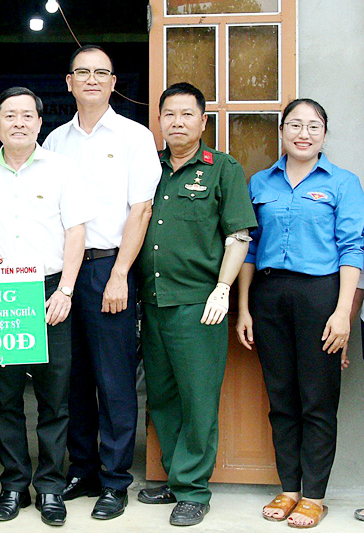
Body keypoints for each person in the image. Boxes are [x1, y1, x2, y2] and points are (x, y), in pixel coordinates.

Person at [0, 87, 92, 526]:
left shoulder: (62, 168)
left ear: (40, 122)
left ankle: (51, 487)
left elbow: (77, 232)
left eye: (27, 115)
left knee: (55, 397)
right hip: (3, 294)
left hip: (53, 288)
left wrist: (66, 291)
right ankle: (15, 484)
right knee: (6, 395)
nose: (19, 122)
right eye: (9, 115)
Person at [43, 45, 160, 520]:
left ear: (114, 82)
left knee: (113, 381)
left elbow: (142, 208)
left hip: (110, 268)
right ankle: (82, 470)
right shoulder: (54, 142)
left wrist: (118, 275)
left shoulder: (134, 137)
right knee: (71, 377)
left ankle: (114, 480)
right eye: (82, 72)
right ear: (68, 82)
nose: (92, 79)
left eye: (101, 73)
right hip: (63, 272)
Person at [236, 98, 364, 529]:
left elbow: (353, 248)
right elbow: (249, 249)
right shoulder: (260, 183)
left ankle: (314, 495)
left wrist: (343, 311)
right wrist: (243, 308)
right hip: (269, 296)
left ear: (324, 134)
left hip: (321, 296)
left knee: (317, 400)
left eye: (313, 126)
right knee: (282, 398)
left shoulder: (343, 183)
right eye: (294, 124)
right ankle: (289, 487)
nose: (303, 133)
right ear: (282, 131)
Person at [135, 83, 257, 526]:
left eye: (187, 115)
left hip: (199, 305)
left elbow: (238, 235)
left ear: (202, 122)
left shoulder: (222, 168)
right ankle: (175, 475)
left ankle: (193, 490)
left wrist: (223, 288)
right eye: (170, 115)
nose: (178, 122)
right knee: (163, 396)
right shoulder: (150, 169)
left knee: (198, 398)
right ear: (161, 121)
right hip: (153, 302)